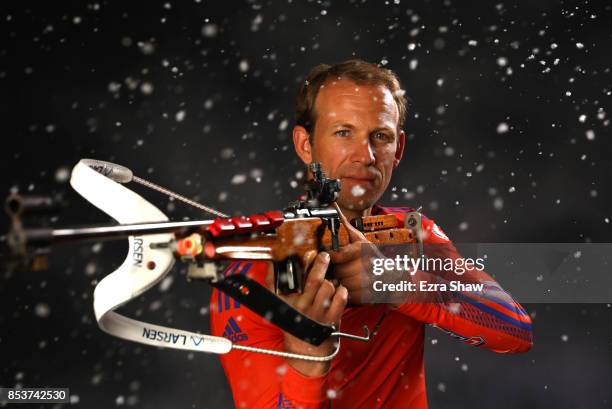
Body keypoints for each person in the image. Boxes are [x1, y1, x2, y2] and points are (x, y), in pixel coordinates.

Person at [210, 59, 533, 408]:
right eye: (343, 132)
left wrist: (394, 282)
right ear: (305, 145)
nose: (364, 156)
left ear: (399, 149)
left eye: (380, 136)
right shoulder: (250, 267)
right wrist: (308, 353)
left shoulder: (411, 233)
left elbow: (514, 330)